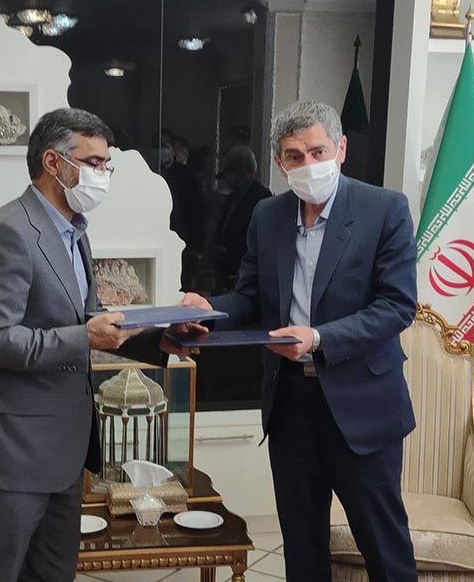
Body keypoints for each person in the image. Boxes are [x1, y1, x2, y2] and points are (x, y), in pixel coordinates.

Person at [176, 100, 418, 581]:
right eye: (294, 155)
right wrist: (209, 311)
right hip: (291, 404)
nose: (307, 164)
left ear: (341, 149)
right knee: (302, 549)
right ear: (279, 162)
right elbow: (250, 296)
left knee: (384, 549)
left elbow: (397, 306)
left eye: (317, 151)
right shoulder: (268, 214)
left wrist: (319, 337)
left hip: (361, 405)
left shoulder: (384, 209)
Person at [0, 108, 166, 582]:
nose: (103, 175)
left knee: (52, 574)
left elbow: (86, 320)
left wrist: (167, 336)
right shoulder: (7, 232)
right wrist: (85, 337)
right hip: (13, 452)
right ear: (53, 162)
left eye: (107, 165)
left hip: (64, 450)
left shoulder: (74, 231)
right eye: (94, 163)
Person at [211, 146, 271, 292]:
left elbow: (261, 240)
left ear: (245, 170)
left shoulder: (262, 199)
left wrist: (231, 251)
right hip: (224, 270)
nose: (228, 179)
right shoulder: (231, 198)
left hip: (245, 272)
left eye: (231, 172)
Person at [162, 136, 205, 291]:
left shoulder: (188, 177)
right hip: (171, 235)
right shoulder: (165, 175)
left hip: (185, 237)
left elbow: (197, 212)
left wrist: (198, 246)